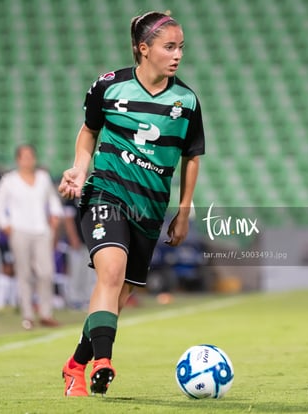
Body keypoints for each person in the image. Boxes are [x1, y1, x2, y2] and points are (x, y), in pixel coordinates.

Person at [58, 11, 205, 396]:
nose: (177, 55)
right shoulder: (109, 86)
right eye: (168, 47)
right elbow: (89, 131)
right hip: (106, 192)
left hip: (150, 209)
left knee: (118, 295)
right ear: (144, 49)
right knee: (111, 271)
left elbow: (192, 157)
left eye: (180, 48)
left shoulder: (186, 101)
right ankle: (103, 363)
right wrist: (78, 167)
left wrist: (184, 212)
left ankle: (76, 364)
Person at [0, 144, 64, 330]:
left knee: (46, 272)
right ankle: (28, 315)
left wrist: (55, 215)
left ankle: (46, 313)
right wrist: (5, 224)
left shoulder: (43, 178)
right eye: (24, 156)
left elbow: (53, 200)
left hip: (41, 231)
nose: (28, 160)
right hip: (19, 230)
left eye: (31, 156)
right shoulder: (9, 180)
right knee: (24, 274)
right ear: (18, 159)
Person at [62, 198, 96, 310]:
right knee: (76, 271)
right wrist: (73, 238)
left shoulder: (92, 195)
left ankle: (87, 298)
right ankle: (74, 299)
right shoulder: (71, 199)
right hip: (77, 241)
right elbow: (68, 220)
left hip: (90, 241)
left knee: (89, 272)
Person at [0, 229, 18, 311]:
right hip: (5, 238)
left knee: (14, 269)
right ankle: (0, 303)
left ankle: (12, 302)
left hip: (16, 238)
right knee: (6, 268)